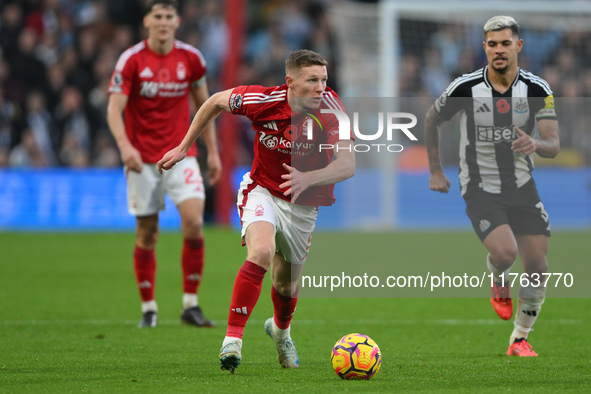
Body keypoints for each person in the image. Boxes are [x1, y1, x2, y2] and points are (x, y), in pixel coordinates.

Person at [158, 49, 355, 372]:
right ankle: (232, 340)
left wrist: (310, 177)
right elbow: (215, 101)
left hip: (303, 205)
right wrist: (183, 147)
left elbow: (348, 163)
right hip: (261, 190)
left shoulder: (332, 110)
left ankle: (280, 331)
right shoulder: (262, 101)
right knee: (262, 251)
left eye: (324, 80)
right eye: (313, 80)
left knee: (285, 284)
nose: (321, 87)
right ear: (290, 82)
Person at [424, 16, 560, 357]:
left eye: (505, 43)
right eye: (492, 44)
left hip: (522, 185)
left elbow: (554, 144)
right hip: (479, 185)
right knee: (505, 252)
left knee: (538, 266)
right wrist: (436, 170)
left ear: (518, 46)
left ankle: (519, 339)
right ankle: (498, 277)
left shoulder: (537, 89)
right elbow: (431, 120)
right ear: (484, 47)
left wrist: (537, 145)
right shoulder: (465, 87)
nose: (499, 49)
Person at [106, 0, 221, 329]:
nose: (163, 22)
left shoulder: (191, 59)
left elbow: (207, 108)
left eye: (169, 16)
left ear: (177, 21)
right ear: (147, 21)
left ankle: (190, 304)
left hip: (182, 156)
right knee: (148, 233)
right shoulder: (131, 60)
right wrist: (124, 146)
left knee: (195, 223)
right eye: (157, 16)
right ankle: (149, 308)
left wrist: (212, 152)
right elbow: (115, 109)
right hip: (142, 160)